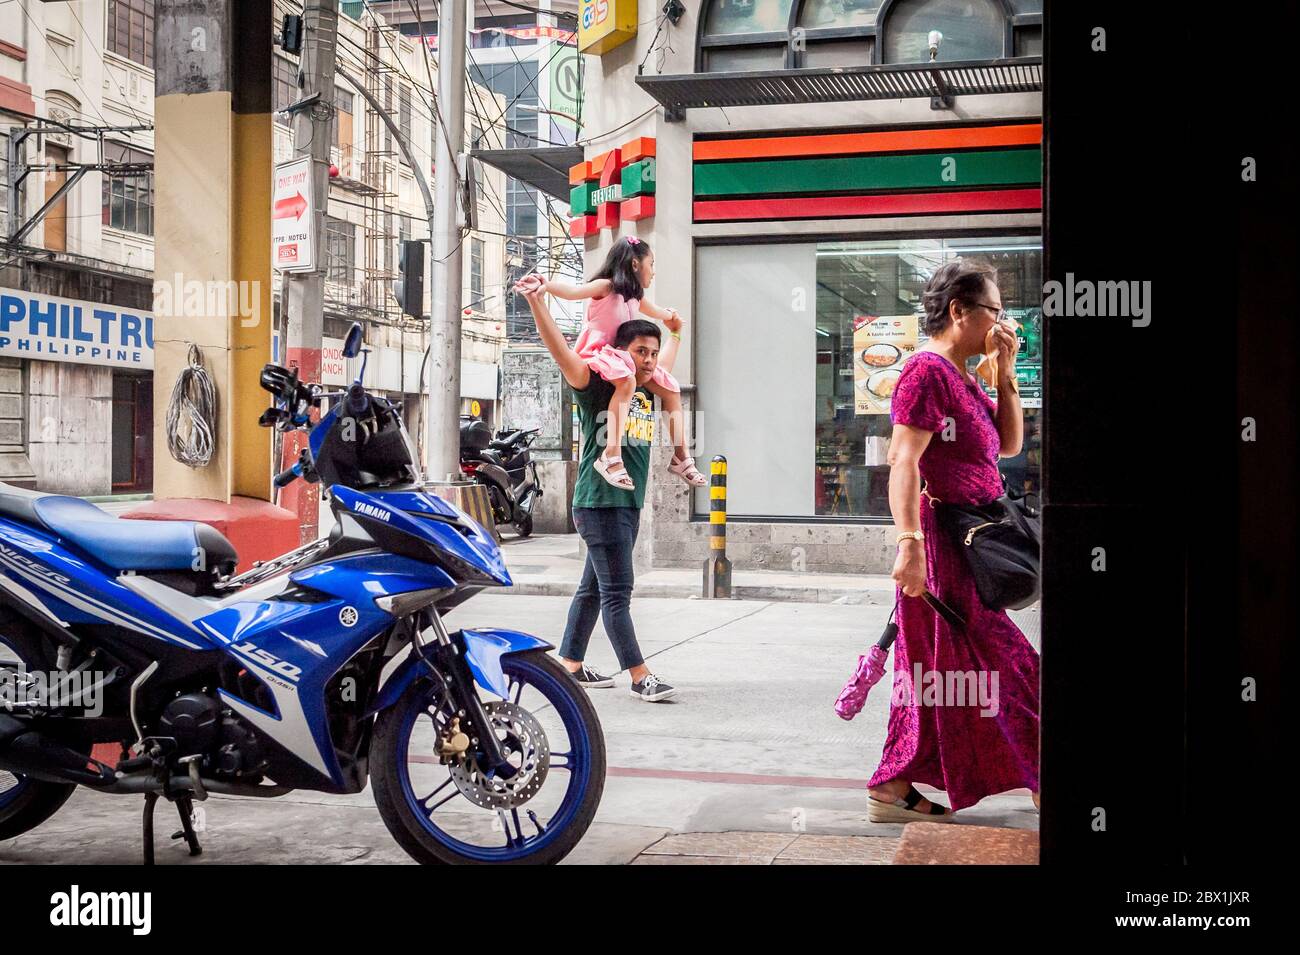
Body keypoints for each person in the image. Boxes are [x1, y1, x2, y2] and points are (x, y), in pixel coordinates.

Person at [866, 258, 1041, 823]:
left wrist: (1005, 371)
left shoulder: (963, 375)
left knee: (938, 673)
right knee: (1009, 664)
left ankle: (893, 784)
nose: (1001, 320)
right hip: (942, 548)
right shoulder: (926, 371)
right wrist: (910, 545)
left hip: (972, 541)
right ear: (960, 310)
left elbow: (1009, 445)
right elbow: (902, 460)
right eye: (994, 310)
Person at [515, 277, 679, 702]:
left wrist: (674, 331)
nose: (647, 360)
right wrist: (538, 303)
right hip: (599, 502)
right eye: (639, 351)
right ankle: (640, 676)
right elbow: (561, 353)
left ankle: (569, 662)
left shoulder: (642, 394)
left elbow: (668, 369)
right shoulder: (597, 389)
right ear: (619, 353)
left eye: (652, 353)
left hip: (625, 503)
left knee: (593, 588)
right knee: (618, 593)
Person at [515, 236, 707, 493]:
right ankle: (611, 455)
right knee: (627, 381)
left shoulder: (635, 298)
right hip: (598, 353)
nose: (654, 270)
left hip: (619, 359)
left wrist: (672, 322)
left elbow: (658, 312)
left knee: (671, 388)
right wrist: (545, 286)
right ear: (636, 264)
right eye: (652, 263)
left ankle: (681, 457)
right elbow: (574, 292)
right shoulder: (607, 286)